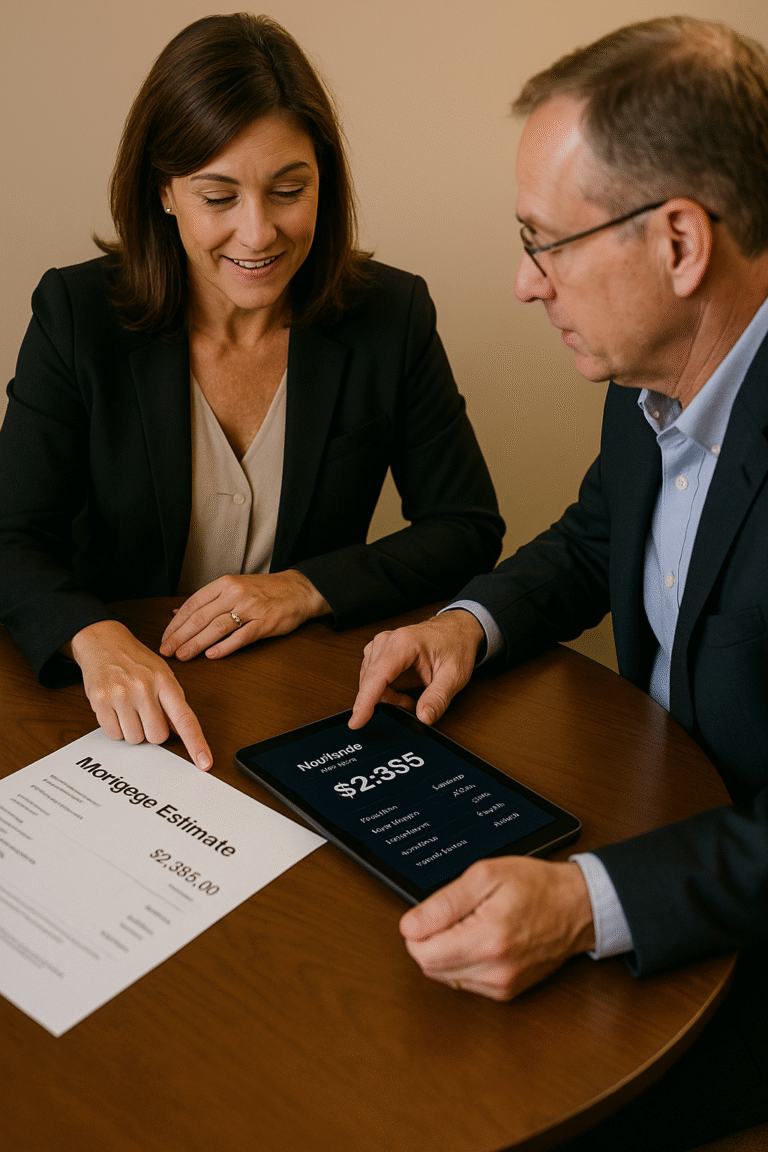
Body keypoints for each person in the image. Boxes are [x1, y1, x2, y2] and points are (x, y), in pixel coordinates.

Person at [351, 16, 768, 1150]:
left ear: (679, 242)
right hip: (658, 830)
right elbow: (594, 540)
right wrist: (467, 625)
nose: (524, 284)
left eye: (545, 242)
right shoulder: (652, 373)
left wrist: (592, 903)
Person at [0, 13, 503, 773]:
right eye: (219, 196)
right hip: (109, 707)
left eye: (288, 189)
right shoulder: (76, 316)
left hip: (305, 706)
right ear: (164, 193)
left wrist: (305, 587)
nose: (258, 233)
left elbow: (466, 525)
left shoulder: (391, 317)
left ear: (323, 183)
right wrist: (92, 636)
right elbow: (11, 534)